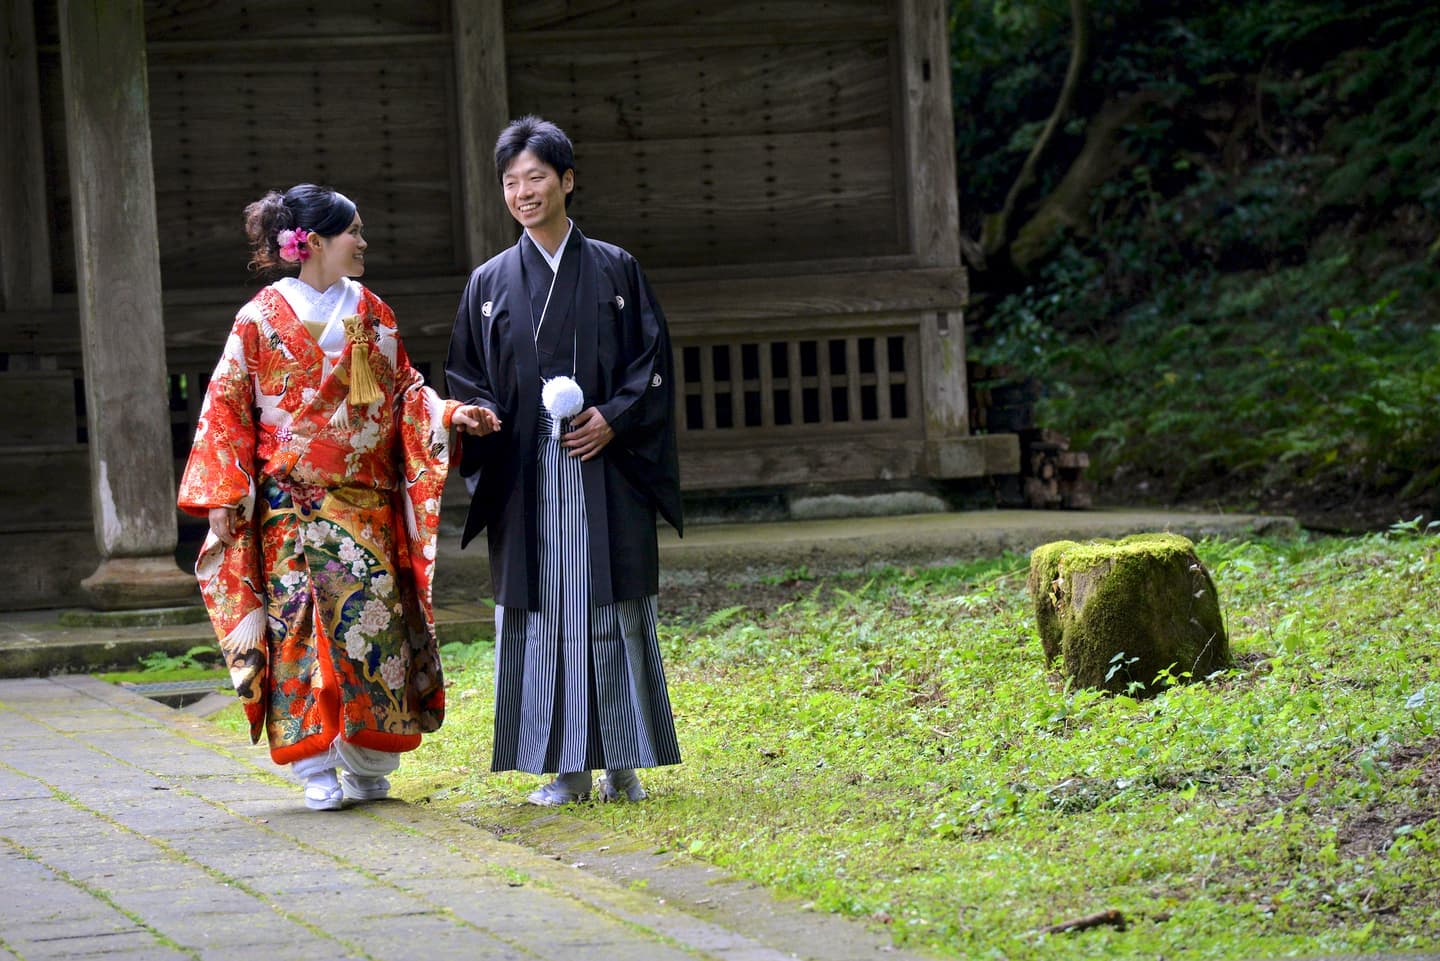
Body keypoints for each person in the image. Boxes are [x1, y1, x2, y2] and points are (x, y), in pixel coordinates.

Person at [178, 184, 497, 811]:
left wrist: (449, 414)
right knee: (300, 631)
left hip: (364, 506)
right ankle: (317, 766)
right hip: (289, 506)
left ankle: (370, 760)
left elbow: (405, 392)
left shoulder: (372, 311)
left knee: (369, 632)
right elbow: (226, 408)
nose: (364, 241)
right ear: (315, 241)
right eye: (354, 230)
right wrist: (222, 488)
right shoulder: (259, 318)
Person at [446, 116, 683, 805]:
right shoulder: (489, 282)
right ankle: (566, 768)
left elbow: (653, 365)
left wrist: (614, 417)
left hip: (606, 469)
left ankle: (623, 762)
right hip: (526, 476)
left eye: (537, 177)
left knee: (610, 609)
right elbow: (466, 375)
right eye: (512, 181)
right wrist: (478, 415)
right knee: (546, 612)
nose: (524, 191)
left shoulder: (616, 269)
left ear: (567, 181)